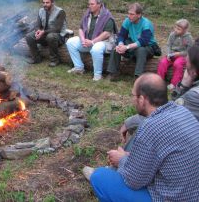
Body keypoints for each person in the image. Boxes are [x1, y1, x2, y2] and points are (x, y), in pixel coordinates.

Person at [84, 73, 199, 201]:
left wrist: (121, 159)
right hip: (191, 192)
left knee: (99, 177)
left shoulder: (151, 126)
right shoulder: (182, 111)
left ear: (142, 99)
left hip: (172, 198)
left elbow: (134, 181)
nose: (132, 99)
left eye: (133, 95)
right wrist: (131, 158)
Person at [66, 0, 116, 81]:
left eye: (92, 4)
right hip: (88, 40)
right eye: (89, 4)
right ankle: (79, 67)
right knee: (70, 42)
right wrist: (82, 40)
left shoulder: (107, 16)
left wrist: (92, 42)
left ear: (99, 4)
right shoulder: (87, 14)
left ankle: (98, 75)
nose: (89, 6)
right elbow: (81, 28)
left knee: (96, 48)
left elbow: (107, 34)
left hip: (104, 42)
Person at [107, 3, 159, 80]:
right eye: (128, 13)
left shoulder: (146, 24)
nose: (129, 16)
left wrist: (127, 47)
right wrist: (121, 44)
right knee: (116, 48)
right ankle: (113, 73)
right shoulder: (127, 21)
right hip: (133, 43)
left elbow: (143, 41)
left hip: (148, 47)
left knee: (141, 50)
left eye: (132, 14)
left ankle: (138, 77)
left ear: (139, 15)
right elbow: (121, 35)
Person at [25, 0, 67, 67]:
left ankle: (55, 60)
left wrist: (43, 32)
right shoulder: (41, 11)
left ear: (52, 3)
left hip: (58, 36)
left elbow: (57, 29)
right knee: (29, 36)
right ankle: (36, 58)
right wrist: (38, 31)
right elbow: (37, 25)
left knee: (50, 36)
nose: (45, 4)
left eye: (47, 2)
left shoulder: (60, 12)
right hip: (45, 35)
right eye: (43, 2)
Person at [157, 19, 193, 90]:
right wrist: (168, 54)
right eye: (175, 28)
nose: (176, 30)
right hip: (171, 54)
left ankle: (174, 84)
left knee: (177, 64)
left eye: (178, 29)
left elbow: (189, 51)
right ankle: (158, 80)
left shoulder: (189, 38)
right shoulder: (172, 34)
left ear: (185, 30)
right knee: (163, 62)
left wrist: (179, 53)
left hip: (182, 56)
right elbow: (168, 45)